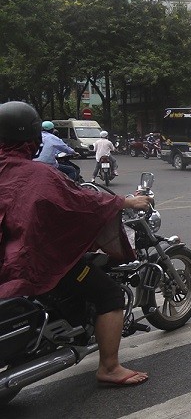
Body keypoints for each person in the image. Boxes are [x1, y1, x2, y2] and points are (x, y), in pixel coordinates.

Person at [0, 101, 153, 386]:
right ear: (33, 137)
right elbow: (82, 203)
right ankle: (109, 367)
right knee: (109, 295)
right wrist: (126, 201)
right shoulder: (39, 175)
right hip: (33, 261)